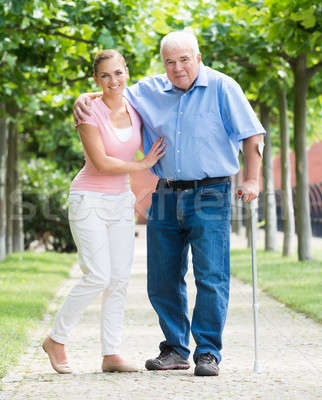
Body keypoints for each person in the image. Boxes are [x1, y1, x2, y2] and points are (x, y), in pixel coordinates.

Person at [74, 31, 264, 376]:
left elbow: (252, 134)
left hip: (211, 191)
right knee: (161, 276)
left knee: (210, 275)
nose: (178, 68)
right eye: (170, 61)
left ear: (199, 57)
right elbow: (112, 91)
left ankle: (207, 352)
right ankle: (175, 349)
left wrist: (253, 179)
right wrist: (84, 98)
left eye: (184, 60)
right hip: (165, 192)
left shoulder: (223, 87)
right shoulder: (147, 90)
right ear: (163, 63)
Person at [42, 49, 166, 374]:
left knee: (120, 279)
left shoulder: (135, 106)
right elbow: (100, 162)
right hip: (89, 199)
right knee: (98, 275)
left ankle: (111, 354)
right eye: (105, 75)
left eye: (118, 73)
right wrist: (141, 165)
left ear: (127, 72)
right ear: (96, 80)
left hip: (120, 201)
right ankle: (56, 339)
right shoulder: (89, 111)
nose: (113, 80)